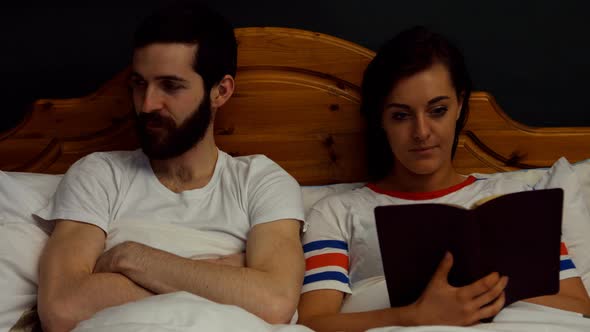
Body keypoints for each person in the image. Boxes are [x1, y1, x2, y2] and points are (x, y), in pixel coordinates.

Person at [297, 26, 590, 331]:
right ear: (379, 119)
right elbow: (314, 322)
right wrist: (413, 316)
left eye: (437, 110)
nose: (422, 132)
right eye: (401, 115)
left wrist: (478, 299)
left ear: (460, 105)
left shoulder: (518, 199)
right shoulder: (337, 212)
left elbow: (579, 307)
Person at [35, 3, 305, 331]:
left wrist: (128, 258)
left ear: (220, 92)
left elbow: (273, 303)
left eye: (171, 86)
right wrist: (225, 278)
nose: (147, 104)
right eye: (138, 83)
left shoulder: (261, 181)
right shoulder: (100, 174)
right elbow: (62, 308)